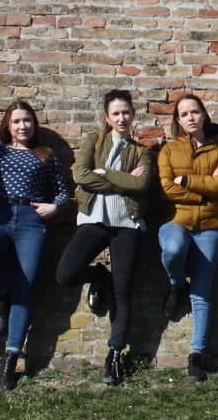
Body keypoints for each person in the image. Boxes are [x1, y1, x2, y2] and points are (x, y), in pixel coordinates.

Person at [0, 101, 69, 391]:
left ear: (34, 124)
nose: (23, 126)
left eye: (28, 120)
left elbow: (62, 192)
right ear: (7, 126)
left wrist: (54, 207)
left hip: (31, 221)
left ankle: (10, 358)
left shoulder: (46, 155)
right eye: (17, 121)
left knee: (27, 285)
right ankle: (0, 293)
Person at [55, 89, 155, 386]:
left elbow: (142, 184)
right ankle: (98, 274)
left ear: (133, 115)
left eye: (126, 112)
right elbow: (81, 175)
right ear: (107, 117)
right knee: (66, 274)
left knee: (123, 289)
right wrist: (124, 180)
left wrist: (106, 173)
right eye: (116, 113)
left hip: (127, 223)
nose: (122, 118)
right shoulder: (94, 140)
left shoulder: (142, 151)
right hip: (94, 219)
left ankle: (114, 354)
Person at [158, 93, 218, 383]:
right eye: (184, 114)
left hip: (210, 227)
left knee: (202, 292)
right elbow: (167, 188)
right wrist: (204, 191)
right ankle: (176, 284)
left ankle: (196, 355)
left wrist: (187, 180)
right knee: (173, 249)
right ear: (178, 120)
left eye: (195, 111)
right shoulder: (168, 150)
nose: (190, 117)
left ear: (204, 114)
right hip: (176, 221)